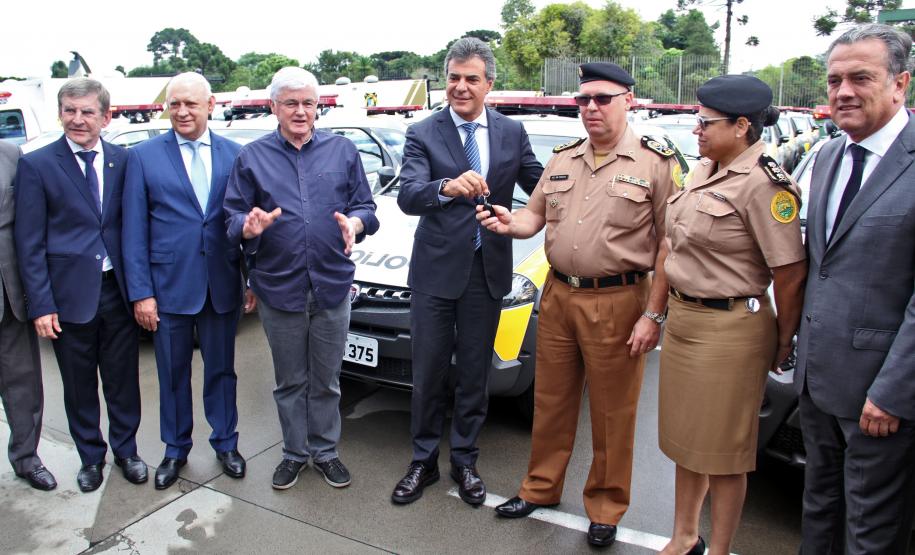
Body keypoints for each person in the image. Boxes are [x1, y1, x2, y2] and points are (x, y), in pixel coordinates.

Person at [478, 62, 676, 547]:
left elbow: (672, 244)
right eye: (582, 100)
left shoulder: (656, 162)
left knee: (612, 413)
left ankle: (606, 506)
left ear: (629, 99)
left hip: (619, 300)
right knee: (551, 403)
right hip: (560, 295)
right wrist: (510, 222)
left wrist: (653, 314)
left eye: (602, 99)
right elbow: (535, 216)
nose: (590, 108)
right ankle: (541, 488)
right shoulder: (563, 158)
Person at [657, 75, 806, 555]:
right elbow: (671, 242)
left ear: (742, 126)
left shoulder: (766, 184)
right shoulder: (705, 168)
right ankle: (684, 536)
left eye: (706, 122)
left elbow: (790, 273)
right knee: (686, 441)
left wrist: (783, 341)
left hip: (731, 331)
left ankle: (718, 549)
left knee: (723, 455)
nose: (696, 129)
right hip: (685, 323)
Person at [391, 37, 542, 507]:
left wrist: (581, 184)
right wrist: (447, 187)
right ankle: (422, 462)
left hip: (487, 270)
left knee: (474, 374)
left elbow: (539, 184)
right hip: (435, 274)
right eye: (453, 78)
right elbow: (408, 195)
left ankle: (464, 459)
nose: (460, 87)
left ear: (489, 84)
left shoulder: (512, 132)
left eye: (471, 79)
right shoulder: (423, 132)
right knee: (430, 371)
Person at [224, 67, 378, 491]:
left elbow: (366, 207)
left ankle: (325, 452)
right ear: (273, 107)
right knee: (290, 381)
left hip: (331, 285)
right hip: (278, 287)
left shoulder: (342, 151)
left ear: (317, 107)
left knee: (327, 380)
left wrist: (356, 224)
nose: (300, 111)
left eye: (308, 103)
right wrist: (247, 227)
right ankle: (294, 453)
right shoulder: (251, 157)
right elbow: (231, 218)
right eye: (290, 103)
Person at [795, 24, 915, 554]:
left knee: (872, 531)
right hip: (818, 381)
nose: (843, 91)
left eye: (860, 78)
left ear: (900, 84)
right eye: (834, 80)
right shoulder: (828, 156)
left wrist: (892, 392)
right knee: (818, 508)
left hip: (880, 396)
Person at [14, 78, 146, 492]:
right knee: (78, 384)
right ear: (59, 113)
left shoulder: (125, 161)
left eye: (88, 111)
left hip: (116, 291)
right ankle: (92, 457)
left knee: (123, 379)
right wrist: (40, 304)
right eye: (70, 111)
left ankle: (127, 451)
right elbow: (29, 242)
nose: (78, 119)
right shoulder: (36, 164)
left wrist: (143, 291)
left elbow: (134, 228)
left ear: (106, 117)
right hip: (66, 298)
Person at [122, 72, 245, 490]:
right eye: (174, 104)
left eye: (191, 103)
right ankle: (175, 450)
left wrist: (251, 281)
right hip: (168, 287)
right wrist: (141, 293)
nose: (181, 112)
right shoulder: (143, 157)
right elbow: (133, 232)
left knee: (222, 371)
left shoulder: (234, 155)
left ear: (211, 106)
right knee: (172, 374)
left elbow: (244, 221)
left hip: (221, 284)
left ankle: (226, 443)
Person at [0, 141, 56, 491]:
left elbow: (30, 225)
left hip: (11, 296)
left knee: (24, 386)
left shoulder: (10, 154)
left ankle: (26, 459)